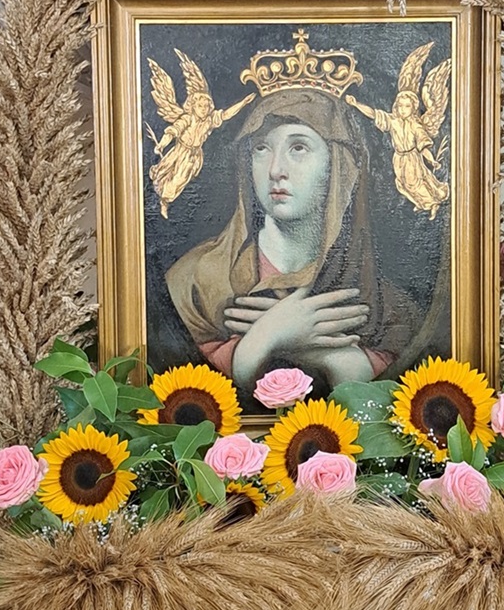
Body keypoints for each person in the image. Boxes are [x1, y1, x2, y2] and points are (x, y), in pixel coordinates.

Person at [166, 88, 421, 397]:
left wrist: (309, 347)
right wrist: (266, 334)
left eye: (298, 147)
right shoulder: (193, 282)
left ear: (339, 167)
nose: (276, 170)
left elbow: (371, 400)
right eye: (261, 148)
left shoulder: (390, 307)